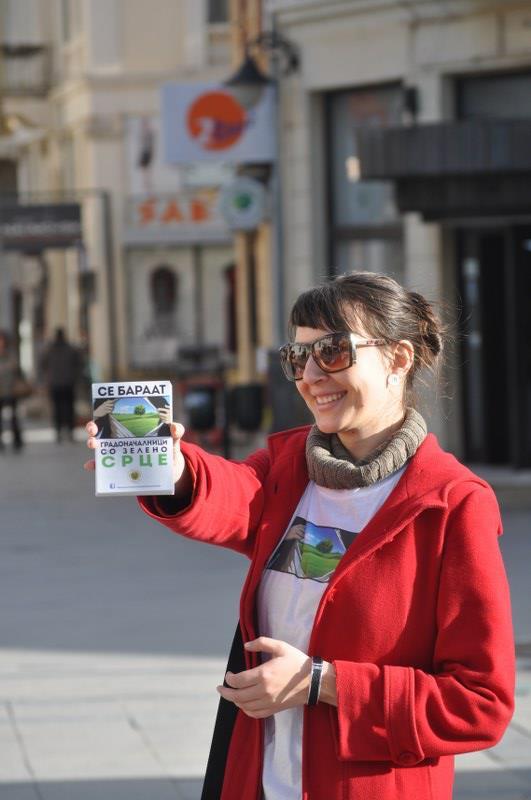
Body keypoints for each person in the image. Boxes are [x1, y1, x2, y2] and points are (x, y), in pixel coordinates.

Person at [85, 271, 515, 800]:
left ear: (399, 359)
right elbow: (229, 497)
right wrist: (171, 466)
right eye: (298, 357)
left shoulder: (453, 505)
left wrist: (323, 682)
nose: (310, 375)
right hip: (259, 779)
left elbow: (480, 704)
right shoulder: (288, 465)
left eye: (332, 352)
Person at [40, 328, 81, 442]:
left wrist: (47, 378)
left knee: (57, 409)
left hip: (55, 384)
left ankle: (58, 432)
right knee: (70, 408)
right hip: (69, 383)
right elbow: (79, 364)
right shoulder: (71, 349)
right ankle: (70, 431)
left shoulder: (49, 350)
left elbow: (43, 365)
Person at [0, 329, 24, 451]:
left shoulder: (11, 356)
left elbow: (18, 371)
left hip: (10, 391)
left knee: (14, 417)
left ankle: (17, 440)